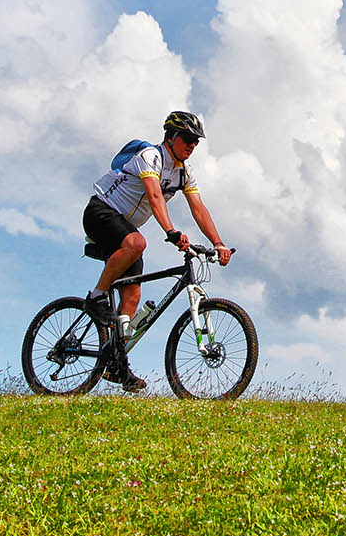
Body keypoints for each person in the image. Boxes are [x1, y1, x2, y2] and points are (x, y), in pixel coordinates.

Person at [82, 110, 234, 391]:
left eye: (196, 142)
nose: (192, 145)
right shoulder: (151, 156)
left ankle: (115, 366)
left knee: (133, 294)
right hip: (100, 212)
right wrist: (171, 232)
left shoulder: (184, 174)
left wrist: (219, 243)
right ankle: (96, 297)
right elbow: (154, 196)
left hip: (123, 227)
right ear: (171, 137)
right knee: (137, 243)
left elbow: (199, 209)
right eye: (187, 138)